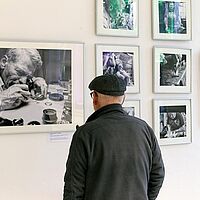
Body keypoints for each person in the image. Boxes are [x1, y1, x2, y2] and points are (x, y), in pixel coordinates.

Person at [63, 74, 165, 200]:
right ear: (123, 98)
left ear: (95, 97)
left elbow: (73, 189)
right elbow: (158, 174)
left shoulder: (85, 134)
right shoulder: (144, 128)